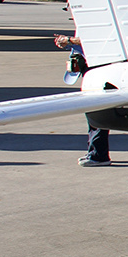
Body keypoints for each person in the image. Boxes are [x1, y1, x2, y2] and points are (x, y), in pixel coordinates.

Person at [53, 31, 110, 165]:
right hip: (92, 68)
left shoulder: (94, 19)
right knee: (94, 112)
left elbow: (97, 39)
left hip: (98, 69)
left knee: (96, 111)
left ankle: (98, 154)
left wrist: (70, 41)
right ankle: (96, 153)